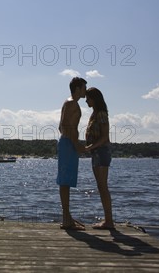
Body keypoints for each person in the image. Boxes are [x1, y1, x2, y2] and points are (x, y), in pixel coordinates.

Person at [57, 77, 87, 230]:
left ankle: (67, 217)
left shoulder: (68, 102)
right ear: (77, 89)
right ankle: (66, 219)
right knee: (65, 181)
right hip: (68, 144)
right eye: (83, 88)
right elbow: (65, 126)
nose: (85, 91)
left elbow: (61, 127)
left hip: (67, 143)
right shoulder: (71, 103)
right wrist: (76, 145)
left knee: (66, 181)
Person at [85, 87, 114, 230]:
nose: (86, 101)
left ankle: (109, 221)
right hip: (96, 152)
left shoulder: (101, 114)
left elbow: (104, 137)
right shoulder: (94, 114)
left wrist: (90, 147)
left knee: (103, 187)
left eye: (88, 98)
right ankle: (108, 220)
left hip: (101, 151)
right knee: (101, 186)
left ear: (94, 99)